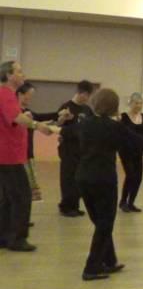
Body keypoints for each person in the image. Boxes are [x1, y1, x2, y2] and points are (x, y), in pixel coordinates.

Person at [53, 88, 143, 281]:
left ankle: (109, 260)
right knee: (104, 224)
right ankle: (91, 268)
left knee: (100, 222)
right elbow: (140, 142)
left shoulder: (84, 124)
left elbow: (61, 130)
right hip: (103, 180)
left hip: (82, 178)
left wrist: (39, 124)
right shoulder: (115, 127)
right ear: (114, 107)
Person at [0, 61, 56, 252]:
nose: (23, 74)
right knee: (22, 196)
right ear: (8, 75)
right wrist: (37, 125)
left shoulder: (8, 95)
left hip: (7, 155)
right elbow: (16, 118)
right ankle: (17, 239)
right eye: (19, 71)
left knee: (8, 197)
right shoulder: (5, 94)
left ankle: (5, 236)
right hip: (8, 156)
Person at [17, 82, 72, 202]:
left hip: (27, 153)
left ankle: (22, 218)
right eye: (28, 95)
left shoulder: (28, 112)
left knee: (28, 189)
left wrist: (59, 115)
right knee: (20, 188)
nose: (30, 98)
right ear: (20, 94)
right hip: (17, 155)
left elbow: (41, 117)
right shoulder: (15, 113)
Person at [57, 80, 95, 217]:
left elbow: (92, 126)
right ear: (82, 93)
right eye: (88, 95)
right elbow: (58, 125)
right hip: (68, 149)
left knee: (79, 179)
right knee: (68, 178)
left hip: (82, 150)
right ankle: (66, 206)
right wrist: (62, 119)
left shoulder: (87, 109)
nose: (88, 98)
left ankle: (75, 205)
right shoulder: (66, 106)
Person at [118, 92, 143, 213]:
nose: (138, 105)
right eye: (136, 103)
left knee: (138, 178)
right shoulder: (123, 117)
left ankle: (131, 203)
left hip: (138, 152)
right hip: (125, 151)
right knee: (130, 175)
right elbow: (117, 132)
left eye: (141, 103)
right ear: (131, 103)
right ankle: (123, 202)